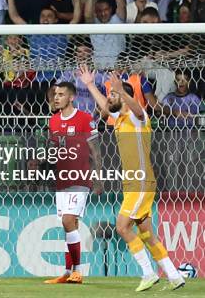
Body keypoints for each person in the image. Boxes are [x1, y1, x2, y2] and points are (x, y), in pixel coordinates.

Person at [79, 66, 186, 291]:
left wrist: (122, 90)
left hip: (141, 181)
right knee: (146, 233)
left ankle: (148, 273)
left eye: (114, 95)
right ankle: (174, 275)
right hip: (133, 182)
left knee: (122, 227)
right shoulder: (119, 118)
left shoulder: (139, 117)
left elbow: (138, 108)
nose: (110, 99)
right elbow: (104, 107)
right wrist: (90, 85)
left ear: (125, 96)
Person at [44, 82, 101, 285]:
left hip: (80, 177)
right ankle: (68, 272)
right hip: (62, 179)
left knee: (68, 220)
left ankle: (77, 271)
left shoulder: (85, 119)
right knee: (69, 225)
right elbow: (54, 149)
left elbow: (95, 149)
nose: (56, 97)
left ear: (71, 97)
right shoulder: (53, 121)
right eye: (55, 94)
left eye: (61, 94)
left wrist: (98, 177)